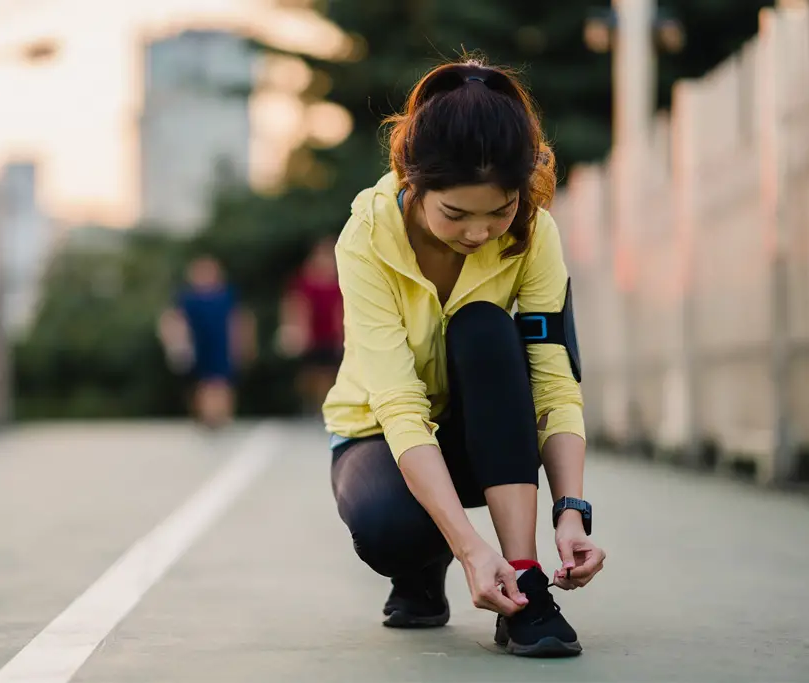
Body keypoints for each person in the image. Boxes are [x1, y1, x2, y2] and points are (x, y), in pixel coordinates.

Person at [322, 58, 606, 658]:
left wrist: (571, 509)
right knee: (388, 528)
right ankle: (421, 570)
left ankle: (525, 585)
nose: (480, 233)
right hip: (380, 434)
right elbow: (398, 405)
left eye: (499, 211)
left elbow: (554, 383)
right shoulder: (366, 237)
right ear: (412, 179)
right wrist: (468, 547)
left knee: (484, 328)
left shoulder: (535, 234)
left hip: (491, 436)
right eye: (456, 214)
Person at [158, 255, 255, 428]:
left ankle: (221, 416)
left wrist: (244, 344)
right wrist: (175, 345)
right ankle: (207, 416)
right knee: (203, 384)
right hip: (198, 345)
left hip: (222, 345)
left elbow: (240, 320)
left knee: (222, 382)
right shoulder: (186, 298)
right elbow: (172, 320)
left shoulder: (228, 295)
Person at [276, 237, 344, 414]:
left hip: (330, 338)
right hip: (310, 338)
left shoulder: (339, 281)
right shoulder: (304, 282)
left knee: (329, 376)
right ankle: (311, 407)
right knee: (310, 376)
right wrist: (293, 332)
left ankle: (326, 409)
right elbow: (294, 305)